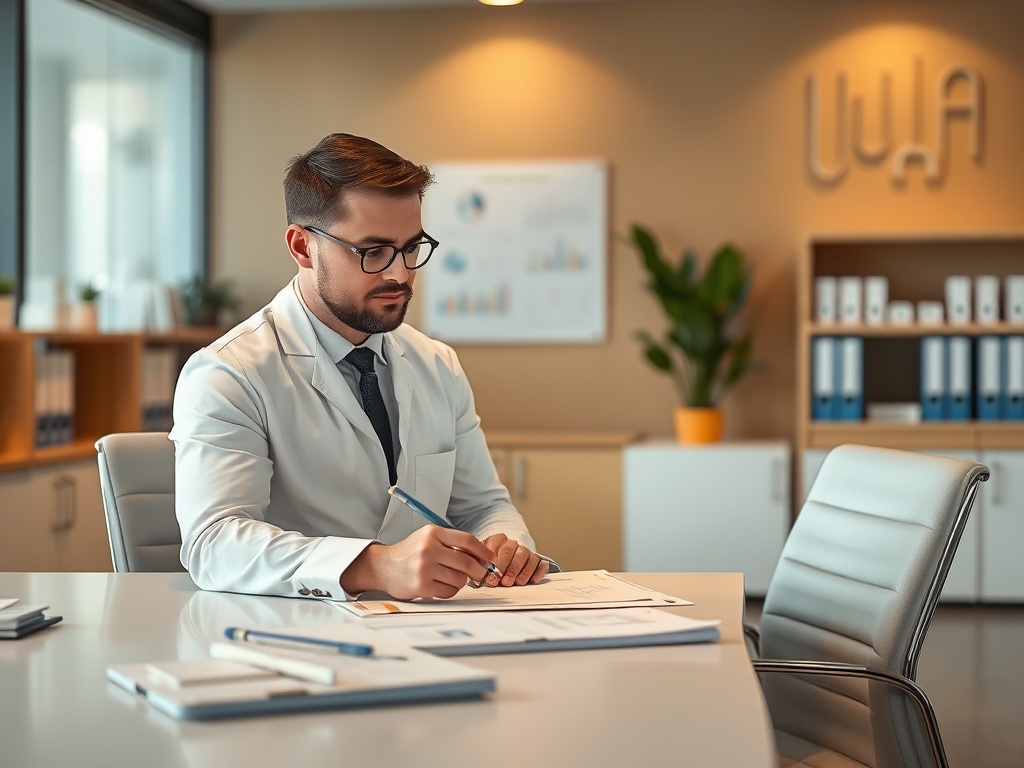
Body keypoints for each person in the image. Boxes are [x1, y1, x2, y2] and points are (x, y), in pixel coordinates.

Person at [170, 132, 552, 601]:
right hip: (297, 639)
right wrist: (374, 565)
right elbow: (214, 543)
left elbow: (483, 506)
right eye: (373, 252)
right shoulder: (228, 373)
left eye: (412, 248)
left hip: (427, 634)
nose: (399, 274)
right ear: (303, 247)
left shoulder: (437, 364)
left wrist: (505, 545)